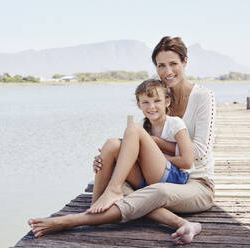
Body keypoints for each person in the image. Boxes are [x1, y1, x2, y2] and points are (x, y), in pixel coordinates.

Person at [28, 36, 215, 245]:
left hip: (196, 184)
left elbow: (198, 152)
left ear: (185, 62)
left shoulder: (203, 97)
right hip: (156, 175)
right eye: (161, 65)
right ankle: (101, 201)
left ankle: (71, 221)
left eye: (173, 64)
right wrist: (112, 155)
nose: (167, 71)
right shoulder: (156, 97)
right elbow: (137, 141)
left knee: (151, 191)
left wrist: (150, 146)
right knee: (115, 150)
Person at [87, 79, 194, 215]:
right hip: (147, 180)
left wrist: (147, 159)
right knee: (112, 144)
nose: (151, 107)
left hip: (174, 179)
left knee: (133, 129)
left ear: (167, 102)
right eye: (145, 102)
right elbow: (129, 153)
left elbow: (187, 161)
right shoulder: (144, 128)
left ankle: (114, 189)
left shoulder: (175, 124)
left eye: (157, 101)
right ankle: (94, 204)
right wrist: (107, 157)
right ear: (139, 105)